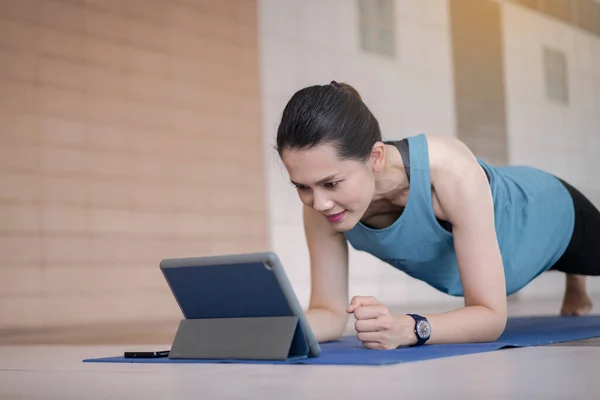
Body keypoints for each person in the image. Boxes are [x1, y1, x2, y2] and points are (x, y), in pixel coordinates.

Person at [275, 80, 600, 350]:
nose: (319, 203)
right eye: (302, 187)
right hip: (508, 256)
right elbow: (329, 314)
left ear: (374, 157)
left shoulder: (447, 171)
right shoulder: (322, 207)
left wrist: (408, 328)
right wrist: (267, 331)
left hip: (549, 215)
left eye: (331, 183)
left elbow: (490, 317)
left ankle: (575, 276)